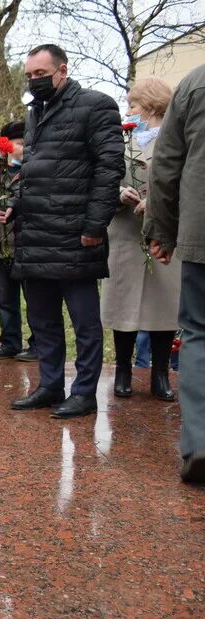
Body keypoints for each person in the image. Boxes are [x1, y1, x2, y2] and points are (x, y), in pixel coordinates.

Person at [0, 44, 123, 419]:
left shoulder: (97, 105)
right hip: (36, 236)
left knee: (83, 322)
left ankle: (84, 393)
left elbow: (108, 168)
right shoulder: (36, 112)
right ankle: (50, 385)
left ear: (62, 71)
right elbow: (37, 171)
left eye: (40, 74)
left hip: (76, 234)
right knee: (43, 320)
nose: (34, 81)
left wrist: (94, 225)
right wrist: (15, 203)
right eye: (29, 76)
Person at [101, 77, 180, 401]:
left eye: (133, 103)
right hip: (126, 234)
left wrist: (160, 203)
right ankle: (123, 372)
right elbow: (102, 179)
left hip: (163, 235)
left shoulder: (178, 140)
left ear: (150, 104)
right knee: (125, 307)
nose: (129, 109)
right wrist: (119, 193)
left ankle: (160, 375)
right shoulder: (121, 139)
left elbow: (188, 181)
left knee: (163, 308)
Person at [144, 63, 205, 484]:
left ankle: (201, 443)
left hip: (202, 232)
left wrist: (161, 230)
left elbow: (166, 162)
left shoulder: (195, 82)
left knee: (200, 333)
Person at [0, 121, 37, 362]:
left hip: (27, 245)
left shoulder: (34, 171)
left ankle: (37, 343)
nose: (20, 150)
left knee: (34, 298)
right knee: (5, 299)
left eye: (24, 146)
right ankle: (10, 341)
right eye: (16, 145)